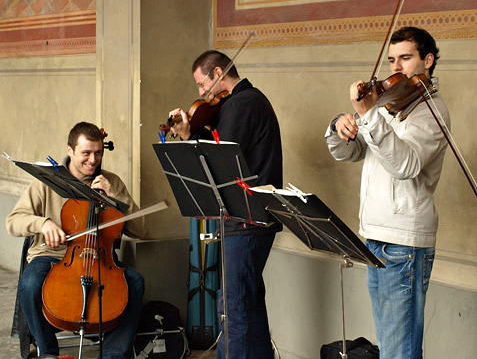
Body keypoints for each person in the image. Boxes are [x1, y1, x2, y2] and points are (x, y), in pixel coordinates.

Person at [325, 26, 450, 359]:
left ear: (428, 60)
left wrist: (368, 114)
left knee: (400, 350)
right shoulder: (388, 104)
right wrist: (342, 125)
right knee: (391, 346)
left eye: (405, 58)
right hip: (375, 235)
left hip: (404, 241)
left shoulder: (431, 112)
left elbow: (406, 165)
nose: (396, 68)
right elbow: (348, 153)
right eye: (392, 59)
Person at [168, 50, 283, 359]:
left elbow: (218, 159)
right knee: (248, 303)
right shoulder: (242, 103)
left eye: (202, 84)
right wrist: (191, 132)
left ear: (218, 72)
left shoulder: (242, 104)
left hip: (246, 218)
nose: (201, 93)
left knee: (233, 308)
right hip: (252, 218)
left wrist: (193, 137)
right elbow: (224, 147)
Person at [6, 122, 147, 359]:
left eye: (98, 153)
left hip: (100, 260)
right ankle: (48, 352)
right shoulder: (47, 181)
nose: (93, 160)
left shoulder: (111, 182)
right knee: (30, 284)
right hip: (52, 258)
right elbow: (13, 221)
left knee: (135, 282)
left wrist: (117, 196)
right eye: (86, 153)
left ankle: (113, 355)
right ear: (70, 150)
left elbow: (141, 230)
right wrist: (42, 223)